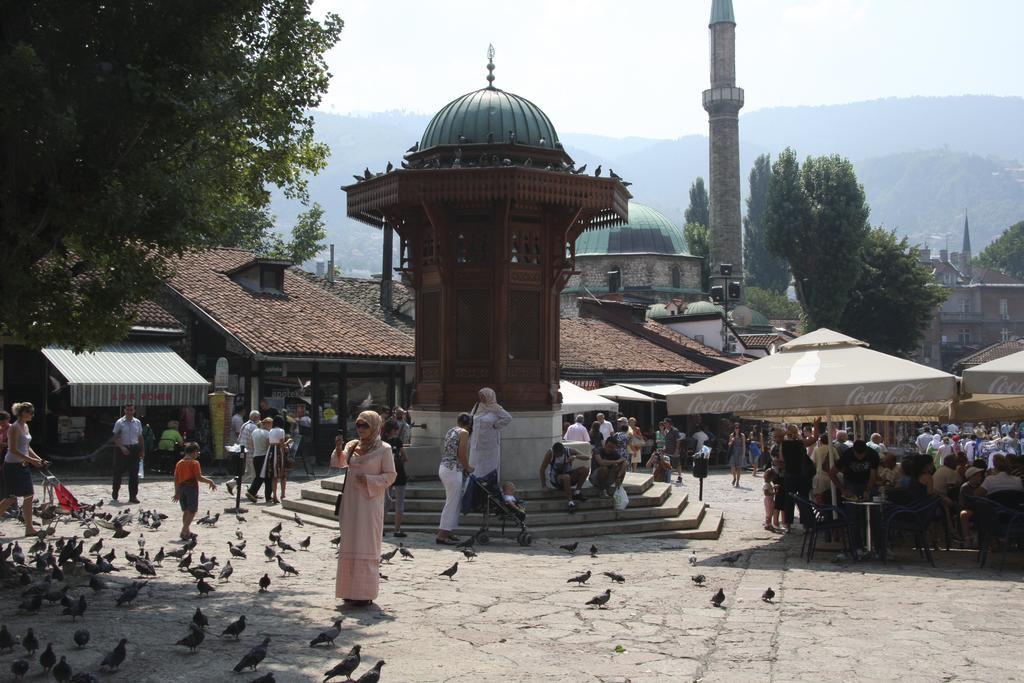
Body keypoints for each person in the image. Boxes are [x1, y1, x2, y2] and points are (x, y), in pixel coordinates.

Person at [333, 410, 396, 608]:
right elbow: (340, 463)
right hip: (351, 503)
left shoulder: (384, 449)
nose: (360, 429)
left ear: (375, 426)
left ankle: (364, 592)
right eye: (358, 425)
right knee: (349, 542)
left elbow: (390, 475)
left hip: (369, 503)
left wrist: (369, 480)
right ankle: (348, 591)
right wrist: (338, 448)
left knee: (366, 544)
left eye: (365, 425)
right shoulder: (352, 445)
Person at [0, 405, 49, 536]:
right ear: (22, 413)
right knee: (10, 498)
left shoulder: (25, 426)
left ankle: (29, 528)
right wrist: (32, 461)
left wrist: (39, 459)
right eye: (30, 412)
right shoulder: (14, 427)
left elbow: (27, 447)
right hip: (12, 465)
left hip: (23, 465)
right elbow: (13, 449)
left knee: (29, 496)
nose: (32, 415)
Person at [437, 413, 473, 544]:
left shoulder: (451, 430)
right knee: (452, 502)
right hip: (453, 469)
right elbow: (462, 453)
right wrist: (468, 467)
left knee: (455, 501)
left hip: (445, 467)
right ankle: (442, 534)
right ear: (469, 423)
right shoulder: (464, 433)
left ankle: (449, 531)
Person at [171, 442, 216, 539]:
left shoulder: (179, 463)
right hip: (191, 488)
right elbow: (198, 477)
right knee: (192, 511)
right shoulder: (194, 463)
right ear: (194, 452)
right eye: (198, 452)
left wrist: (177, 492)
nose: (198, 454)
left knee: (186, 511)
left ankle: (187, 532)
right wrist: (210, 481)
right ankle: (184, 530)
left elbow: (176, 478)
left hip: (182, 488)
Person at [468, 388, 512, 479]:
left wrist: (496, 425)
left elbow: (508, 418)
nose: (481, 398)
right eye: (480, 396)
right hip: (475, 444)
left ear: (489, 396)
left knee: (488, 468)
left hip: (489, 445)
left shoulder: (496, 408)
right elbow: (471, 418)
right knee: (475, 466)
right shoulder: (477, 406)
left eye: (483, 396)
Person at [540, 442, 589, 512]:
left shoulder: (568, 450)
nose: (558, 456)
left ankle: (577, 492)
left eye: (560, 454)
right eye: (557, 455)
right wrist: (544, 485)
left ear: (563, 451)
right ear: (554, 452)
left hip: (568, 474)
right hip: (557, 478)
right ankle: (570, 502)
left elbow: (587, 457)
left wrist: (575, 457)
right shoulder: (550, 454)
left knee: (585, 470)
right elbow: (542, 469)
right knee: (566, 477)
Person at [111, 403, 145, 503]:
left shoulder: (137, 422)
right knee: (118, 473)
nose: (129, 412)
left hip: (134, 449)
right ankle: (115, 491)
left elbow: (140, 437)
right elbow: (115, 437)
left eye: (131, 410)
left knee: (134, 474)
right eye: (128, 410)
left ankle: (133, 496)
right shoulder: (120, 422)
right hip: (122, 450)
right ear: (124, 410)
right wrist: (121, 447)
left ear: (134, 411)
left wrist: (142, 450)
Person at [383, 419, 408, 538]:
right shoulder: (397, 441)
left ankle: (380, 527)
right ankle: (397, 530)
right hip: (399, 474)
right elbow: (405, 457)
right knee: (399, 503)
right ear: (394, 430)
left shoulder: (383, 442)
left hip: (387, 473)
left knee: (385, 502)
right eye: (397, 429)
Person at [245, 418, 273, 503]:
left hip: (256, 456)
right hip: (264, 457)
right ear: (267, 424)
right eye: (271, 425)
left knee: (259, 476)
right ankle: (264, 495)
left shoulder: (255, 432)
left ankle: (252, 492)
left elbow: (250, 444)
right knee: (268, 477)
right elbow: (269, 446)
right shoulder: (267, 434)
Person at [265, 415, 291, 503]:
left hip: (271, 451)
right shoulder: (281, 431)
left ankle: (274, 495)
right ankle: (283, 494)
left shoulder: (271, 430)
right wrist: (289, 441)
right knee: (283, 475)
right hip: (279, 452)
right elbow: (282, 444)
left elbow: (268, 442)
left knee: (274, 476)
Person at [958, 466, 985, 548]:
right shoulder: (965, 487)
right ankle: (967, 539)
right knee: (964, 514)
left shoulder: (982, 487)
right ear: (971, 477)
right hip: (969, 508)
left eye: (980, 475)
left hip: (981, 508)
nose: (980, 477)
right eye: (978, 475)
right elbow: (963, 503)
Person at [235, 410, 261, 483]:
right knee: (253, 474)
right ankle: (251, 491)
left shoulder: (244, 425)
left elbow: (239, 439)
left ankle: (232, 483)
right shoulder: (254, 427)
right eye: (259, 417)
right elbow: (254, 441)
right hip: (251, 453)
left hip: (244, 452)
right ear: (255, 417)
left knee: (248, 472)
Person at [663, 418, 683, 485]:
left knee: (677, 464)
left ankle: (680, 476)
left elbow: (678, 440)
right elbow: (666, 441)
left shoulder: (675, 430)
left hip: (674, 450)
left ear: (669, 423)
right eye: (664, 423)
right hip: (667, 450)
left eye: (666, 423)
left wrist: (677, 450)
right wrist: (664, 448)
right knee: (667, 463)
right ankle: (667, 477)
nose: (665, 424)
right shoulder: (665, 430)